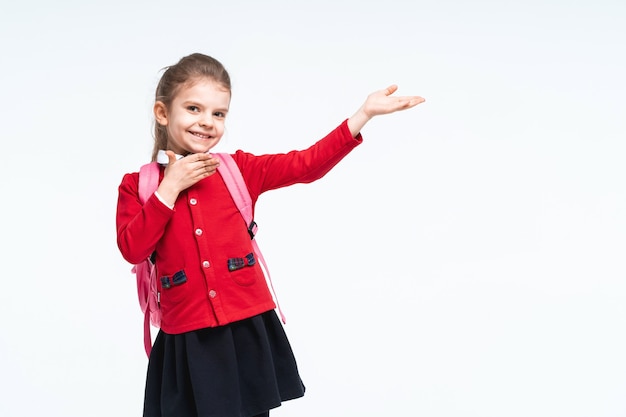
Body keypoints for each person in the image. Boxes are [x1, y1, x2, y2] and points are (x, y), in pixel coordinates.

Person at [116, 52, 425, 417]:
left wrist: (364, 114)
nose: (207, 122)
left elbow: (307, 164)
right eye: (194, 109)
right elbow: (133, 249)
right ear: (163, 113)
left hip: (246, 330)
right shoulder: (138, 187)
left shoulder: (240, 170)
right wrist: (169, 189)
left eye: (218, 113)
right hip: (188, 339)